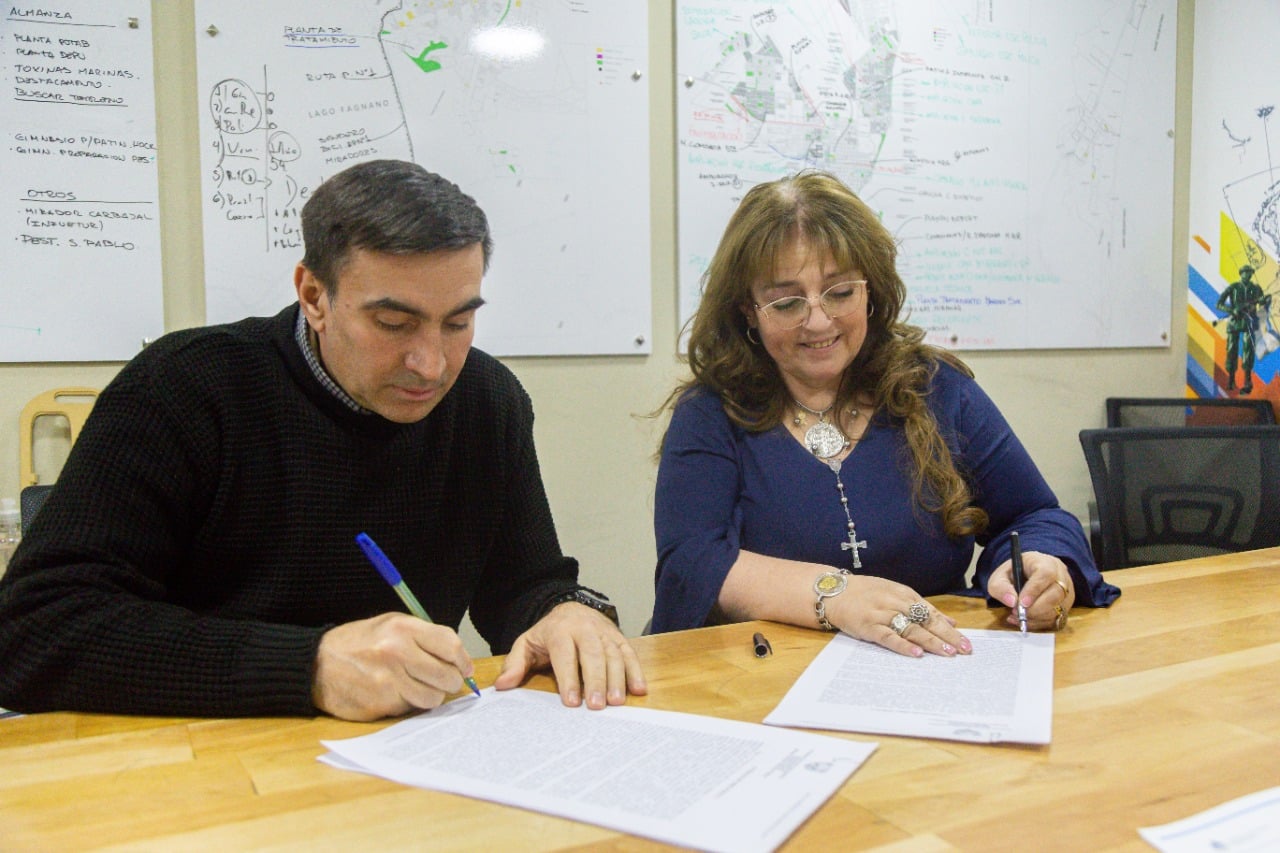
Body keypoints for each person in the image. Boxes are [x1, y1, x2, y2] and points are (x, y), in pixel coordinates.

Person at [0, 159, 646, 721]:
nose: (432, 363)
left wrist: (564, 610)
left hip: (401, 756)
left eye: (458, 321)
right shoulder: (186, 387)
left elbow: (522, 585)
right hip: (198, 754)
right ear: (313, 294)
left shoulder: (486, 400)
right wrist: (306, 665)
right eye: (394, 322)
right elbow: (33, 630)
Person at [651, 170, 1119, 653]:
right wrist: (835, 596)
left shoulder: (936, 389)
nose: (818, 320)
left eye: (840, 293)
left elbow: (1034, 513)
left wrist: (1043, 565)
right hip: (767, 681)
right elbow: (693, 563)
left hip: (927, 673)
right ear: (748, 311)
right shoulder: (709, 413)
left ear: (871, 290)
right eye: (787, 302)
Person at [1215, 264, 1271, 394]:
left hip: (1249, 322)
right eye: (1245, 272)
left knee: (1248, 352)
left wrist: (1264, 301)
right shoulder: (1233, 287)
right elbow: (1219, 304)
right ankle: (1231, 380)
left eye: (1249, 272)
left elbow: (1262, 304)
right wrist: (1231, 310)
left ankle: (1247, 380)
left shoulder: (1256, 288)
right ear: (1241, 273)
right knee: (1231, 350)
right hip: (1234, 323)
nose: (1247, 275)